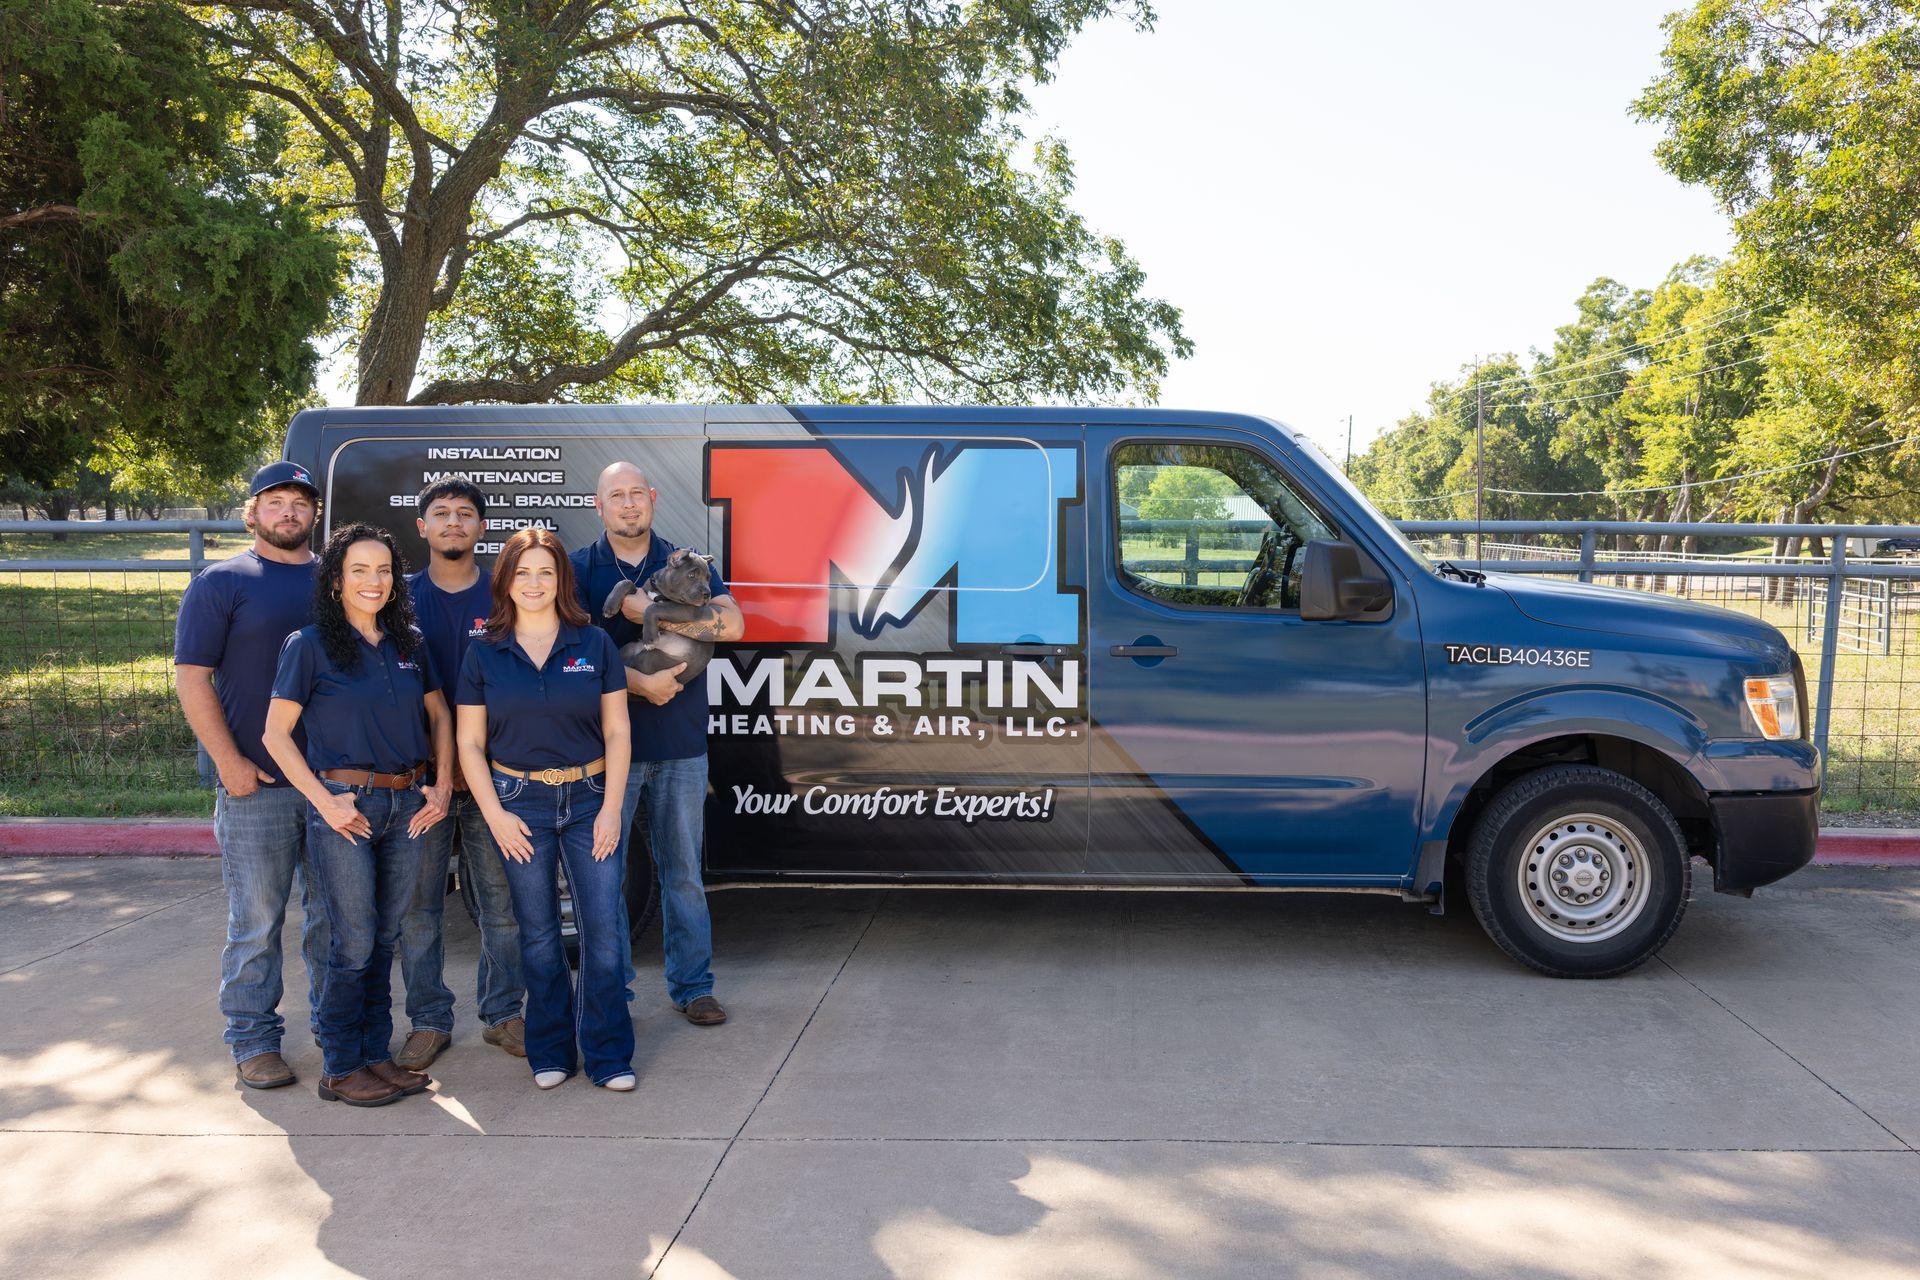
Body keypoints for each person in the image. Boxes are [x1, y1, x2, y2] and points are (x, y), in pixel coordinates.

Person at [263, 524, 453, 1106]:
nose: (374, 582)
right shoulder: (311, 644)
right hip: (348, 808)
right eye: (360, 571)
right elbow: (275, 735)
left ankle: (375, 1056)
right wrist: (323, 800)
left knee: (386, 937)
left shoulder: (409, 643)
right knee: (352, 941)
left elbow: (441, 718)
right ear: (337, 580)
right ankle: (340, 1067)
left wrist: (441, 787)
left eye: (384, 570)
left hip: (406, 804)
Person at [456, 528, 634, 1090]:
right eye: (522, 572)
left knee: (603, 929)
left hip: (589, 800)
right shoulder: (483, 650)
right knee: (536, 932)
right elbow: (468, 743)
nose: (534, 583)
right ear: (505, 581)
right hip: (517, 803)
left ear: (562, 581)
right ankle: (551, 1049)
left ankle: (608, 1056)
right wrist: (496, 815)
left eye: (546, 572)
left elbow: (618, 730)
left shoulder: (593, 643)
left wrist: (611, 810)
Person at [174, 461, 330, 1090]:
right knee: (257, 921)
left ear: (315, 514)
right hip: (257, 785)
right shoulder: (222, 583)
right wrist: (229, 763)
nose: (288, 512)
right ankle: (253, 1040)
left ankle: (336, 1031)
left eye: (299, 502)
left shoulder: (337, 581)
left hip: (336, 785)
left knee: (334, 921)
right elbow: (191, 678)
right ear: (253, 513)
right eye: (275, 502)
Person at [572, 461, 743, 1027]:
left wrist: (653, 613)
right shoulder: (577, 571)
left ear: (652, 499)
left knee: (683, 872)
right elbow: (563, 660)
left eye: (635, 495)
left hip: (679, 746)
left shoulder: (682, 562)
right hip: (603, 750)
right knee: (607, 877)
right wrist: (634, 682)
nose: (627, 504)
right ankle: (612, 990)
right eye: (614, 496)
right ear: (598, 506)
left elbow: (734, 626)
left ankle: (693, 987)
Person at [393, 477, 526, 1070]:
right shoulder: (393, 598)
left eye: (465, 514)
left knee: (501, 903)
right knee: (418, 908)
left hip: (495, 777)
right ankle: (427, 1021)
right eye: (440, 514)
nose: (453, 523)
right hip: (417, 782)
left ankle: (503, 1015)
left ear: (481, 528)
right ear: (421, 527)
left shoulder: (504, 598)